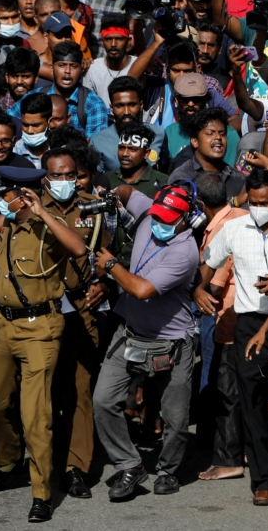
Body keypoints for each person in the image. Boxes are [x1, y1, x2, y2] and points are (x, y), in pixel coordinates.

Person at [0, 166, 87, 522]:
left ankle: (41, 492)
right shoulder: (7, 223)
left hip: (40, 329)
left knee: (35, 416)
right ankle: (9, 461)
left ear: (22, 196)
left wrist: (41, 213)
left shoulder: (47, 223)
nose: (1, 202)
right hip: (3, 326)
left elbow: (79, 248)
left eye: (5, 195)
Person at [93, 181, 200, 499]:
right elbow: (127, 191)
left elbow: (141, 290)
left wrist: (111, 265)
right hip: (128, 333)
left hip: (173, 344)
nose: (159, 224)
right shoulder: (150, 212)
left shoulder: (185, 252)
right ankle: (130, 464)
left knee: (176, 419)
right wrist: (113, 194)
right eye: (156, 216)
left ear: (184, 218)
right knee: (102, 401)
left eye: (168, 220)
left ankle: (168, 470)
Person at [198, 170, 268, 505]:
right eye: (254, 201)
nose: (260, 208)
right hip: (248, 323)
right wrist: (199, 289)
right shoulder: (233, 229)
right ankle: (264, 479)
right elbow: (209, 261)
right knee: (253, 403)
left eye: (267, 202)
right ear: (246, 196)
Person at [38, 146, 111, 498]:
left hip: (82, 307)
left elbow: (108, 255)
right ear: (45, 179)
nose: (65, 182)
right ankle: (40, 460)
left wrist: (104, 282)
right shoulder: (30, 208)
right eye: (57, 176)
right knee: (43, 389)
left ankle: (76, 467)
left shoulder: (93, 208)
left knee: (81, 388)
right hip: (41, 310)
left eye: (71, 175)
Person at [194, 172, 247, 483]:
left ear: (200, 204)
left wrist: (195, 291)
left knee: (226, 390)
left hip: (229, 318)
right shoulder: (240, 215)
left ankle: (229, 458)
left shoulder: (222, 231)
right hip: (253, 317)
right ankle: (242, 449)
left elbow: (214, 287)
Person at [8, 41, 108, 139]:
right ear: (52, 68)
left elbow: (95, 146)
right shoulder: (34, 96)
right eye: (62, 65)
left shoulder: (93, 105)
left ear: (81, 69)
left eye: (73, 66)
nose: (67, 71)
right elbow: (7, 122)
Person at [90, 76, 169, 173]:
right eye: (120, 106)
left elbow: (164, 169)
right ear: (111, 108)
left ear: (141, 105)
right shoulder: (99, 141)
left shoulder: (158, 134)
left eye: (132, 105)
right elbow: (97, 181)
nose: (126, 112)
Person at [168, 107, 247, 203]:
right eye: (210, 133)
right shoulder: (182, 178)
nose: (218, 137)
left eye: (222, 134)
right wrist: (235, 203)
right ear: (195, 141)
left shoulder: (238, 178)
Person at [165, 73, 241, 168]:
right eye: (185, 99)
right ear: (176, 100)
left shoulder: (226, 134)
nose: (191, 104)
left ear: (205, 100)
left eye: (196, 99)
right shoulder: (169, 132)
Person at [83, 13, 137, 108]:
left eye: (119, 39)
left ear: (128, 41)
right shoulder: (93, 68)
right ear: (102, 41)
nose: (113, 44)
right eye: (108, 39)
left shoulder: (137, 64)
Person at [107, 123, 170, 199]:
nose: (125, 154)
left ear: (146, 153)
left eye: (132, 149)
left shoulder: (163, 183)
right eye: (122, 148)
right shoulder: (106, 179)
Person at [13, 92, 52, 168]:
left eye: (36, 125)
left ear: (49, 122)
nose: (30, 131)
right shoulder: (14, 152)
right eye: (25, 125)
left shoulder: (60, 148)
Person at [0, 47, 40, 112]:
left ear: (35, 78)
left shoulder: (44, 107)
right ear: (7, 77)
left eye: (25, 76)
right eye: (15, 76)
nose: (19, 82)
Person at [196, 21, 231, 93]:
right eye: (201, 44)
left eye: (211, 45)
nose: (205, 50)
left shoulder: (225, 82)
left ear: (220, 49)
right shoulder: (181, 71)